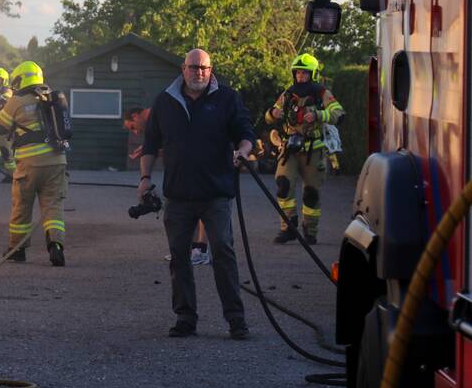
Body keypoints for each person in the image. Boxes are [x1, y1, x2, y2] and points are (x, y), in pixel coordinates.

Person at [138, 49, 254, 339]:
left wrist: (243, 150)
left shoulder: (227, 98)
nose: (198, 72)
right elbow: (151, 143)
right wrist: (144, 179)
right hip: (177, 196)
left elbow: (245, 132)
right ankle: (185, 318)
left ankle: (236, 320)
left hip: (216, 193)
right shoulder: (166, 101)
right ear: (183, 68)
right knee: (179, 256)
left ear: (211, 69)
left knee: (223, 252)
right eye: (193, 67)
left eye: (204, 68)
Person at [0, 61, 68, 266]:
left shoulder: (16, 100)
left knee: (22, 205)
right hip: (57, 162)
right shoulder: (51, 97)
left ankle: (17, 250)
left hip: (30, 164)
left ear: (21, 78)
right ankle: (56, 246)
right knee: (53, 206)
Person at [265, 53, 344, 245]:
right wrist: (272, 113)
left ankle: (310, 231)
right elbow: (269, 117)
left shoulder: (321, 93)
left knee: (311, 193)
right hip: (290, 148)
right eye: (298, 73)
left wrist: (318, 115)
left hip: (313, 151)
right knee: (283, 184)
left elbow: (338, 113)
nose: (300, 77)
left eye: (305, 73)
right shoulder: (288, 93)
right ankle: (288, 227)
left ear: (313, 74)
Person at [126, 107, 211, 266]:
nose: (135, 132)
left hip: (199, 163)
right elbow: (173, 146)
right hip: (182, 168)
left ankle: (202, 250)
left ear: (135, 116)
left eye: (132, 127)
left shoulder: (161, 113)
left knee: (201, 204)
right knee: (182, 206)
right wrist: (151, 151)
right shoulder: (156, 121)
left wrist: (153, 151)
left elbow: (184, 142)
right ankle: (187, 250)